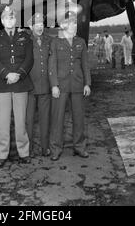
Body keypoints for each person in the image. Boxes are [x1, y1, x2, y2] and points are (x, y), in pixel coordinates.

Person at [0, 5, 34, 167]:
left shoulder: (25, 37)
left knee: (21, 122)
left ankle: (24, 152)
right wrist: (6, 74)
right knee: (2, 122)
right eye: (7, 18)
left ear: (16, 20)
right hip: (2, 84)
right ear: (2, 20)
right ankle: (1, 154)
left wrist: (19, 74)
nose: (10, 20)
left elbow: (29, 59)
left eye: (13, 17)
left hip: (20, 84)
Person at [48, 10, 91, 161]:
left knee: (79, 118)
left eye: (75, 22)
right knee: (57, 118)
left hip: (78, 85)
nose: (75, 25)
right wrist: (54, 85)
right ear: (63, 24)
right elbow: (52, 66)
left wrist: (87, 83)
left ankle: (79, 147)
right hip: (61, 86)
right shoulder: (55, 42)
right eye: (71, 22)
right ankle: (56, 149)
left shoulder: (81, 42)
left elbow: (85, 64)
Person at [26, 12, 52, 158]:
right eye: (37, 25)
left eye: (41, 24)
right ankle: (28, 149)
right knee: (28, 120)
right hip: (29, 87)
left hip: (45, 86)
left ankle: (45, 147)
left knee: (45, 119)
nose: (40, 27)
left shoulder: (49, 40)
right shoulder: (26, 40)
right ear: (31, 26)